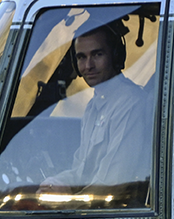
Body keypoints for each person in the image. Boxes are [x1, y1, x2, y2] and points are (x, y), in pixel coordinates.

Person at [40, 21, 154, 202]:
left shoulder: (130, 103)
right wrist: (58, 183)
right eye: (81, 57)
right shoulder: (94, 106)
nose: (88, 66)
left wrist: (70, 205)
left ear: (116, 56)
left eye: (97, 54)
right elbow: (81, 171)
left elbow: (114, 183)